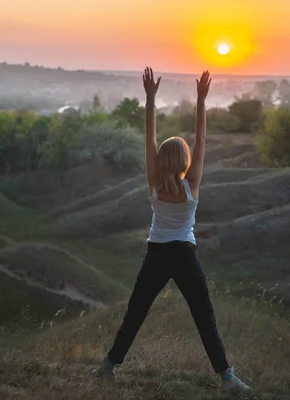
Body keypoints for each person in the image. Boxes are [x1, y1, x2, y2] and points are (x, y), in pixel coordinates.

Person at [93, 67, 252, 393]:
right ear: (185, 161)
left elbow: (150, 138)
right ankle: (227, 378)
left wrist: (150, 99)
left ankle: (108, 366)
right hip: (183, 255)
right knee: (204, 318)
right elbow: (202, 138)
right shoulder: (191, 184)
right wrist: (201, 99)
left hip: (156, 254)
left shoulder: (154, 182)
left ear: (162, 159)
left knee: (136, 313)